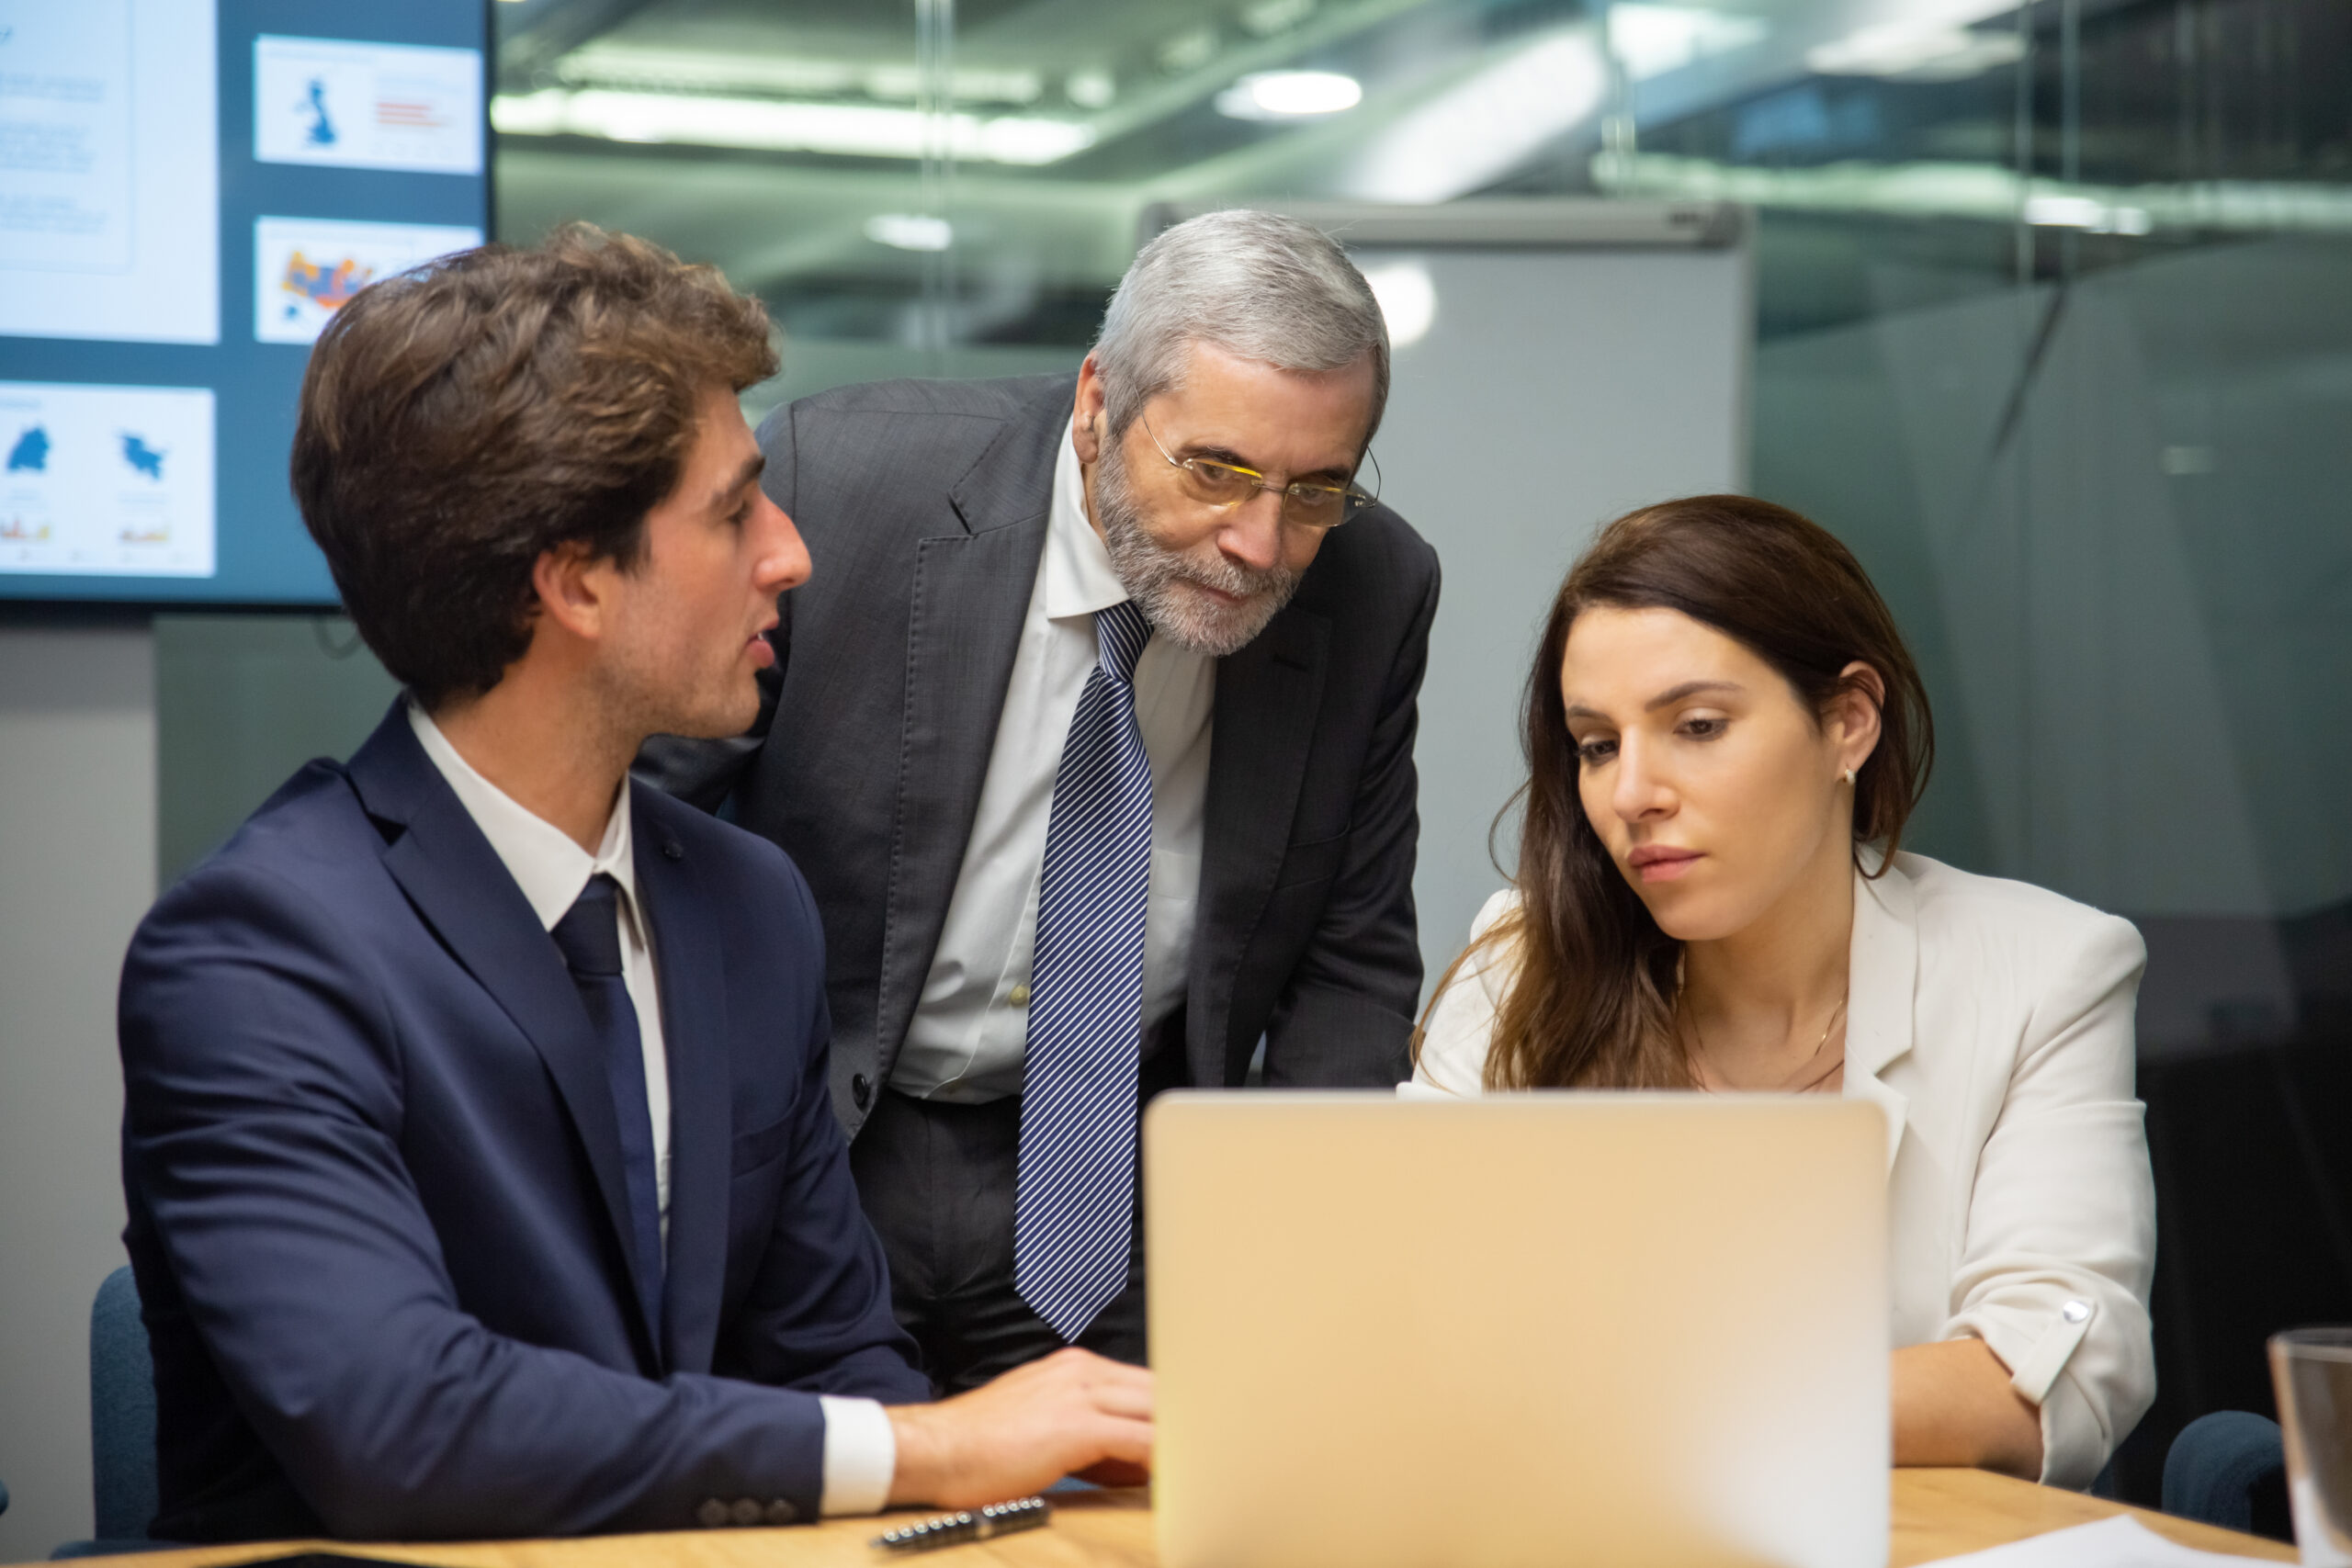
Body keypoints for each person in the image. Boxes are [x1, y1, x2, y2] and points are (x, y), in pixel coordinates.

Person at [117, 227, 1149, 1545]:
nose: (792, 552)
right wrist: (931, 1440)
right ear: (575, 580)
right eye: (734, 511)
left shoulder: (744, 901)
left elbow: (834, 1353)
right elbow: (398, 1421)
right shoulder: (259, 952)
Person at [639, 209, 1441, 1393]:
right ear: (1096, 403)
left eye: (1316, 490)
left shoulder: (1373, 587)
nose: (1261, 544)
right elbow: (650, 829)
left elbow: (1349, 962)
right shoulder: (842, 487)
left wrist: (1293, 1261)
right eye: (1215, 472)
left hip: (1114, 1181)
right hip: (812, 1143)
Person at [1411, 494, 2154, 1491]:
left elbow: (2059, 1371)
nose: (1632, 792)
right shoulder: (1523, 959)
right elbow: (1403, 1305)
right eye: (1597, 744)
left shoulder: (2045, 969)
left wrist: (1671, 1406)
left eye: (1697, 725)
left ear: (1847, 722)